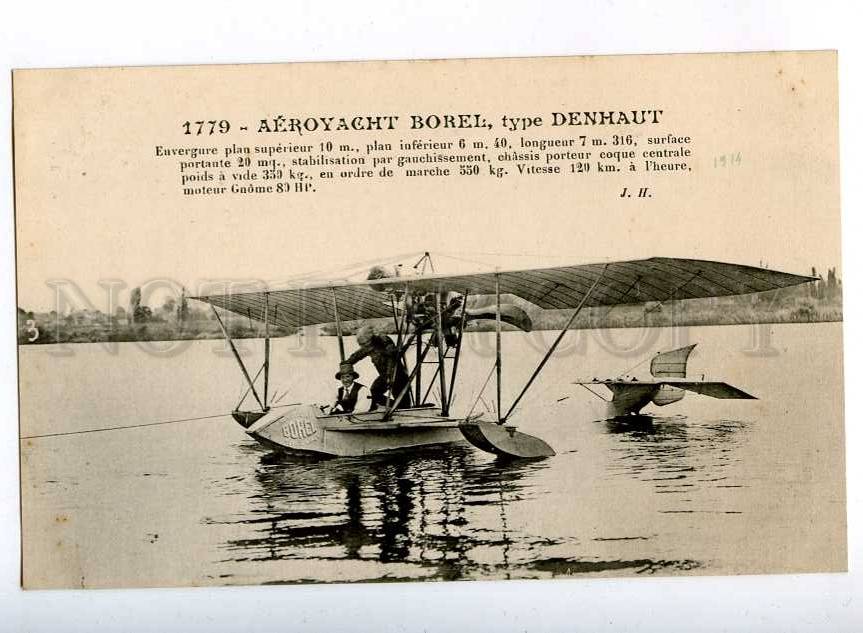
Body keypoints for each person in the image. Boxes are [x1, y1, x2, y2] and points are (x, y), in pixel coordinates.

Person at [345, 324, 411, 410]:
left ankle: (399, 407)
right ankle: (394, 406)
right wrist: (346, 364)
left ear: (371, 339)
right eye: (362, 345)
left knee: (404, 404)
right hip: (384, 376)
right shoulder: (368, 347)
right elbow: (357, 355)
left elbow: (391, 359)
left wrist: (389, 376)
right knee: (374, 393)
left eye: (365, 344)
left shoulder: (384, 340)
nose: (364, 347)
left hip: (397, 375)